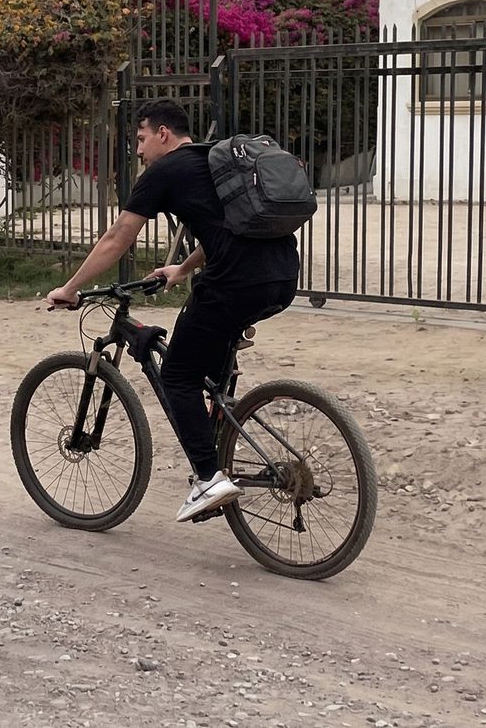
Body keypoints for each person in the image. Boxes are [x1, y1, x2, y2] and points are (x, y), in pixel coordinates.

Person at [46, 98, 300, 523]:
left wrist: (71, 288)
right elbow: (229, 228)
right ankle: (221, 430)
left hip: (233, 284)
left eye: (142, 140)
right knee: (207, 362)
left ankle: (207, 478)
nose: (139, 152)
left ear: (163, 134)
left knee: (178, 375)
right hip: (282, 278)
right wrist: (182, 269)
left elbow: (119, 235)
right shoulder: (214, 161)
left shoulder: (163, 171)